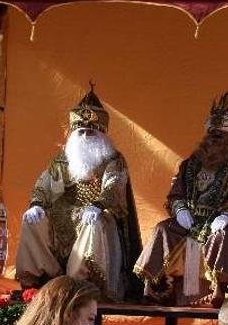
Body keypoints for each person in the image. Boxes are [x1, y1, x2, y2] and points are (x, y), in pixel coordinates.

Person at [134, 91, 228, 307]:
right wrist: (180, 210)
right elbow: (177, 192)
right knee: (163, 229)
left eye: (221, 136)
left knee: (223, 238)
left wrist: (226, 216)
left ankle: (221, 296)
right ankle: (161, 291)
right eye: (211, 135)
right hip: (190, 222)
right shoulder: (191, 163)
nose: (214, 140)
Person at [16, 85, 142, 300]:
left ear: (101, 134)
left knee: (93, 223)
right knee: (33, 220)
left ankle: (80, 283)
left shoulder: (113, 160)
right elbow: (45, 183)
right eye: (80, 131)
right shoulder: (63, 159)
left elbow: (114, 186)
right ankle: (41, 281)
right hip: (62, 214)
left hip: (98, 215)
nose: (85, 136)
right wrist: (37, 204)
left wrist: (98, 205)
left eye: (90, 132)